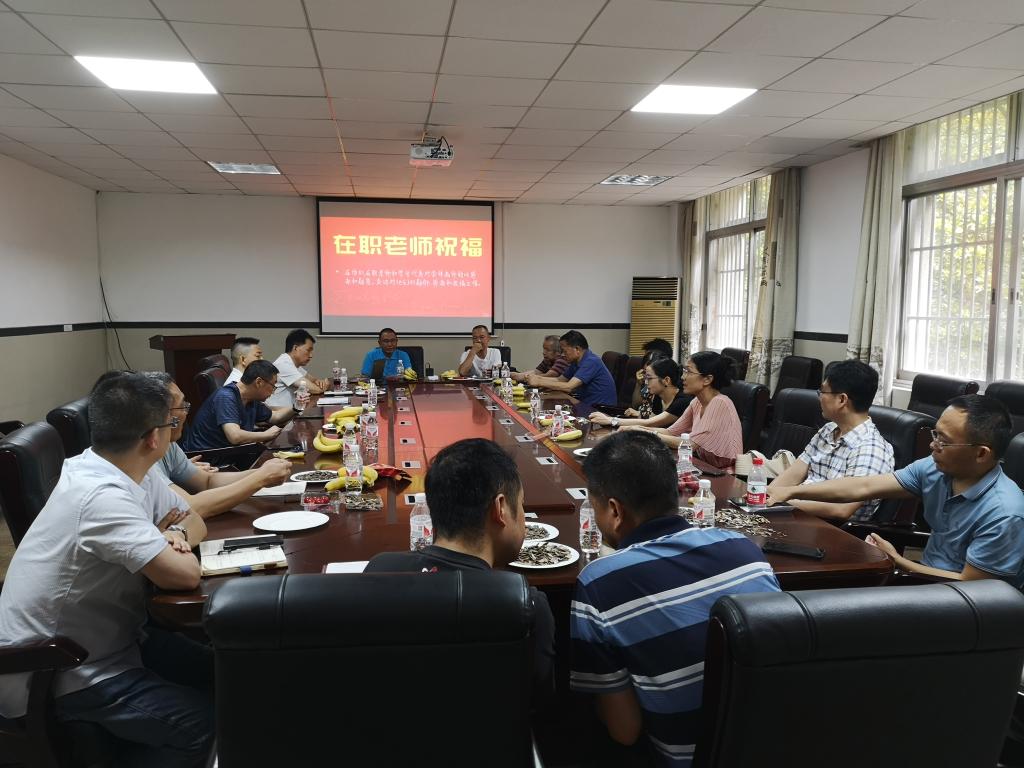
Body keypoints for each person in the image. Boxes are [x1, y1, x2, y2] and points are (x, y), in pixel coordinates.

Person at [0, 372, 213, 767]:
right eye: (173, 418)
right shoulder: (99, 495)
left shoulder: (124, 468)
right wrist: (163, 540)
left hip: (116, 640)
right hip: (59, 669)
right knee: (206, 728)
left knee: (231, 671)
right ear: (153, 437)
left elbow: (194, 519)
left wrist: (175, 532)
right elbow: (184, 575)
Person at [570, 432, 780, 764]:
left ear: (614, 511)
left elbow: (624, 731)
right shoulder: (745, 549)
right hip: (779, 747)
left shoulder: (599, 582)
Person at [365, 438, 555, 698]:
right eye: (521, 504)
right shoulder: (525, 603)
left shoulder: (380, 569)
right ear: (500, 509)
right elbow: (540, 702)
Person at [769, 394, 1024, 586]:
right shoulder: (934, 469)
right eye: (935, 435)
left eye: (944, 441)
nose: (933, 445)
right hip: (923, 580)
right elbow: (864, 485)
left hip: (968, 606)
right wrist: (790, 492)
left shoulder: (1004, 513)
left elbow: (974, 586)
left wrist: (898, 561)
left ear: (981, 454)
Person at [145, 372, 293, 519]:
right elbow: (192, 508)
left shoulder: (169, 445)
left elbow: (207, 482)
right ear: (159, 415)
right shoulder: (141, 458)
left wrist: (264, 472)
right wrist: (261, 478)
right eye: (181, 407)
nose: (186, 412)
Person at [767, 360, 894, 522]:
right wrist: (765, 496)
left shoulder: (871, 450)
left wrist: (783, 501)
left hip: (828, 528)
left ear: (842, 400)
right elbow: (794, 474)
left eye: (823, 392)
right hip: (795, 515)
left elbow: (841, 510)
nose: (820, 397)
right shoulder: (828, 430)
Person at [624, 351, 743, 468]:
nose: (682, 377)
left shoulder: (720, 403)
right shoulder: (697, 402)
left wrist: (645, 432)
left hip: (726, 474)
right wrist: (637, 429)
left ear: (707, 379)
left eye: (688, 371)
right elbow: (670, 432)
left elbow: (689, 444)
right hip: (703, 466)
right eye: (684, 371)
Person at [180, 360, 297, 452]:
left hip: (231, 452)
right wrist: (266, 435)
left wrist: (297, 406)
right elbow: (235, 436)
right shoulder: (226, 396)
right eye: (273, 386)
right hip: (209, 458)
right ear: (259, 382)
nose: (273, 391)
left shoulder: (251, 399)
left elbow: (275, 417)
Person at [590, 358, 691, 430]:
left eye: (649, 378)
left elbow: (649, 423)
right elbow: (651, 419)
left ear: (666, 380)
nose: (646, 383)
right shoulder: (658, 396)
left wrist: (611, 420)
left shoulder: (682, 401)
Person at [525, 330, 617, 409]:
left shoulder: (591, 361)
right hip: (585, 404)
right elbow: (560, 379)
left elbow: (569, 387)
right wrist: (536, 378)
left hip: (600, 410)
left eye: (565, 351)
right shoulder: (575, 361)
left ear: (577, 349)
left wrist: (539, 382)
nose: (563, 355)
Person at [268, 329, 329, 408]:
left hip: (292, 411)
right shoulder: (284, 364)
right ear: (295, 348)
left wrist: (320, 382)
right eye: (308, 350)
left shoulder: (293, 363)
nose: (311, 355)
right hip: (279, 413)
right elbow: (315, 389)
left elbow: (314, 380)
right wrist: (325, 385)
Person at [629, 338, 673, 415]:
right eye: (646, 358)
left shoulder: (668, 382)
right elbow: (635, 406)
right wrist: (638, 384)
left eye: (650, 359)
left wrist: (640, 414)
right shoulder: (647, 377)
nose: (645, 364)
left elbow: (666, 417)